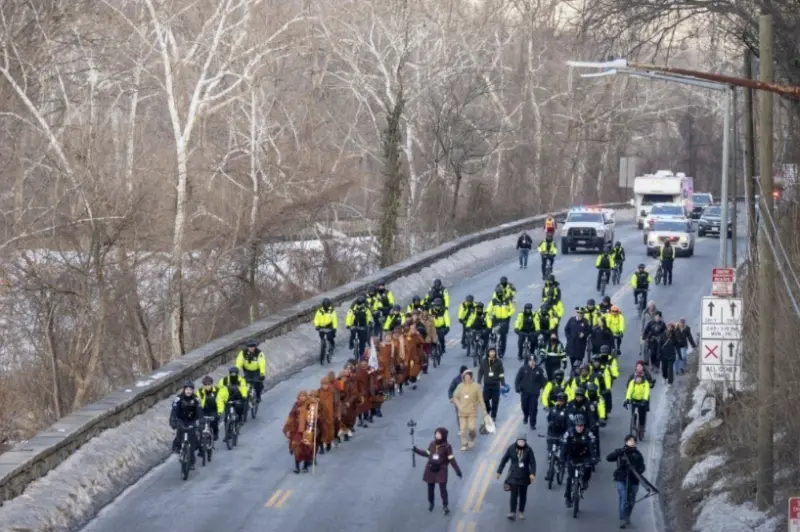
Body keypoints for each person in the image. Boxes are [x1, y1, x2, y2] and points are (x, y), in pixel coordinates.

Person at [413, 428, 463, 515]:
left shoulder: (447, 447)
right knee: (430, 488)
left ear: (444, 435)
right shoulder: (432, 444)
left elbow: (451, 459)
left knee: (443, 489)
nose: (437, 435)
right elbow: (427, 453)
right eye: (436, 434)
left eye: (439, 434)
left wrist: (457, 470)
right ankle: (431, 503)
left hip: (441, 470)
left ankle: (445, 506)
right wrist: (416, 450)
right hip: (430, 468)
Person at [607, 434, 646, 529]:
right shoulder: (620, 452)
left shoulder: (638, 455)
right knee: (624, 498)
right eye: (630, 440)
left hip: (634, 480)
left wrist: (637, 470)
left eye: (634, 441)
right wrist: (618, 453)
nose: (632, 442)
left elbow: (642, 467)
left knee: (631, 501)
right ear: (626, 441)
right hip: (621, 479)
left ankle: (627, 516)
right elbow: (609, 458)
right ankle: (622, 519)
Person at [560, 414, 599, 508]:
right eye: (578, 425)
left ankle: (585, 481)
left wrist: (594, 458)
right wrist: (562, 458)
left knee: (588, 468)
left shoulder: (588, 433)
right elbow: (564, 446)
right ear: (575, 425)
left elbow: (592, 447)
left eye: (582, 426)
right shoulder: (569, 433)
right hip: (572, 456)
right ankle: (568, 498)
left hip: (584, 456)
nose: (580, 428)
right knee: (570, 478)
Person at [497, 434, 537, 521]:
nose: (521, 443)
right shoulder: (511, 448)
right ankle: (512, 512)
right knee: (513, 495)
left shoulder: (529, 450)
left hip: (524, 475)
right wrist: (499, 471)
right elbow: (504, 460)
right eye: (519, 441)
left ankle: (521, 512)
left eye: (523, 441)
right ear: (517, 441)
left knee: (523, 495)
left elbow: (533, 462)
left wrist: (532, 473)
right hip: (513, 474)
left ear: (525, 442)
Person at [282, 390, 320, 473]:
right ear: (298, 397)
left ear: (306, 397)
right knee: (296, 447)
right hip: (297, 430)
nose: (302, 397)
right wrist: (288, 428)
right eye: (300, 396)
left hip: (307, 430)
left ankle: (305, 466)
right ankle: (297, 467)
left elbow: (314, 417)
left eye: (304, 396)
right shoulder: (296, 405)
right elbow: (291, 416)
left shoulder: (310, 405)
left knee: (306, 448)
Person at [451, 369, 485, 451]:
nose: (467, 378)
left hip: (472, 412)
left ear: (471, 377)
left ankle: (471, 439)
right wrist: (459, 406)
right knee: (462, 430)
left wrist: (484, 409)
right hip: (462, 412)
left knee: (472, 428)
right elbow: (455, 397)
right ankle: (464, 444)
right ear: (463, 377)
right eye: (465, 376)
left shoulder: (476, 386)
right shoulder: (460, 386)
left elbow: (480, 399)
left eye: (468, 376)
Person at [169, 381, 203, 463]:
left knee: (193, 437)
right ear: (184, 389)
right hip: (181, 419)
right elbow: (174, 410)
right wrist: (173, 420)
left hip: (192, 420)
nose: (188, 391)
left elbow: (199, 410)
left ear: (192, 390)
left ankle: (192, 459)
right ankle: (178, 447)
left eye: (190, 390)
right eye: (187, 389)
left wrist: (201, 419)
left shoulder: (196, 399)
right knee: (179, 433)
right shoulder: (178, 398)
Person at [515, 355, 547, 430]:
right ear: (528, 361)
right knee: (524, 406)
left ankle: (532, 423)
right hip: (524, 392)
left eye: (533, 361)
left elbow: (543, 381)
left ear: (535, 361)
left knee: (533, 409)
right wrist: (517, 388)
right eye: (530, 360)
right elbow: (517, 379)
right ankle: (526, 416)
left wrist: (545, 390)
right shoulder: (523, 369)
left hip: (534, 393)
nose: (532, 362)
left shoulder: (539, 370)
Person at [216, 367, 249, 437]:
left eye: (235, 373)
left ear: (237, 373)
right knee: (226, 418)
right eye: (232, 373)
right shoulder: (224, 380)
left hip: (238, 398)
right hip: (228, 399)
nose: (233, 375)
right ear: (229, 373)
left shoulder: (241, 380)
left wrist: (244, 396)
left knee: (240, 407)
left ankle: (240, 419)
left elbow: (243, 388)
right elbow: (219, 388)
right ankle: (227, 434)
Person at [478, 347, 506, 421]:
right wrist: (479, 381)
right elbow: (480, 372)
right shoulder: (483, 361)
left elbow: (501, 374)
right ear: (488, 353)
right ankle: (488, 409)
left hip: (496, 385)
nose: (492, 353)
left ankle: (493, 416)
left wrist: (503, 384)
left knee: (495, 402)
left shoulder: (499, 362)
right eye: (491, 352)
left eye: (493, 352)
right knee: (485, 400)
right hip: (487, 385)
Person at [487, 287, 515, 357]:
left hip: (505, 320)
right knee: (490, 329)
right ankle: (492, 341)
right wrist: (489, 315)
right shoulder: (493, 301)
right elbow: (488, 310)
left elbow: (512, 309)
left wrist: (508, 314)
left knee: (503, 336)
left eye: (500, 293)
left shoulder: (507, 301)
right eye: (498, 293)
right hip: (495, 319)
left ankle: (502, 351)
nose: (499, 294)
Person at [624, 374, 651, 440]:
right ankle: (633, 423)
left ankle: (641, 426)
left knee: (642, 414)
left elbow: (646, 392)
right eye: (637, 378)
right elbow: (629, 391)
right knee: (633, 412)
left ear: (642, 378)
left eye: (639, 378)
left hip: (642, 400)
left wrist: (645, 400)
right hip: (634, 399)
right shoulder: (632, 382)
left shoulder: (645, 383)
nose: (638, 379)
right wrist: (627, 399)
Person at [314, 299, 338, 364]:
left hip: (329, 327)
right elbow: (316, 319)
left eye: (327, 305)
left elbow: (334, 319)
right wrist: (317, 325)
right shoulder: (319, 311)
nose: (326, 306)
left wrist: (334, 327)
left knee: (330, 337)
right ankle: (322, 353)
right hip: (321, 327)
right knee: (322, 338)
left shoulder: (332, 311)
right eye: (325, 305)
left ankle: (332, 346)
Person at [317, 376, 338, 452]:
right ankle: (321, 447)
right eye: (323, 384)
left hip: (330, 414)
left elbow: (336, 404)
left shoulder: (332, 392)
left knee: (329, 430)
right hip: (321, 415)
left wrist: (337, 413)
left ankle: (328, 443)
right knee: (320, 431)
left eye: (326, 384)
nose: (325, 386)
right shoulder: (318, 392)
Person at [196, 376, 220, 442]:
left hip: (213, 409)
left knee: (213, 422)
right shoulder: (199, 391)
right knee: (201, 424)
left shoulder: (217, 390)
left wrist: (219, 412)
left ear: (212, 384)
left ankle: (215, 432)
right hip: (204, 410)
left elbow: (220, 401)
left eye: (209, 384)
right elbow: (197, 402)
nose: (207, 386)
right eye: (205, 384)